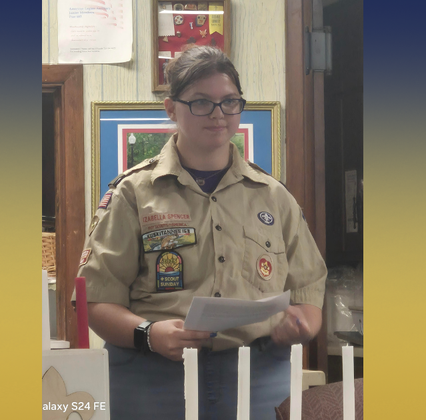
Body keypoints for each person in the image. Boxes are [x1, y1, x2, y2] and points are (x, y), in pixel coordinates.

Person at [74, 45, 327, 419]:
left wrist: (300, 325)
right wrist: (148, 333)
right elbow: (93, 302)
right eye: (201, 102)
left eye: (229, 101)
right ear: (172, 108)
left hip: (256, 375)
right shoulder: (132, 193)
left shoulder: (274, 196)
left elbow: (309, 292)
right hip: (151, 377)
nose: (218, 114)